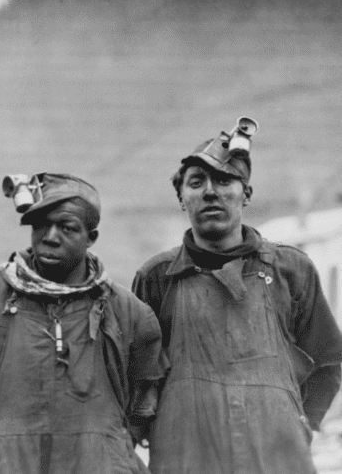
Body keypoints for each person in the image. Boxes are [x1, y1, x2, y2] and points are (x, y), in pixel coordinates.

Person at [0, 172, 167, 474]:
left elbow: (144, 402)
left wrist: (110, 451)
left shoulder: (128, 312)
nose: (50, 237)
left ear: (91, 237)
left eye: (67, 228)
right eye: (41, 225)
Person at [132, 126, 342, 473]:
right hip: (186, 457)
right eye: (197, 182)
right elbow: (137, 376)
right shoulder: (156, 278)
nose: (211, 191)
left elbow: (328, 361)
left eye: (225, 181)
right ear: (182, 197)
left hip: (276, 457)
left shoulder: (291, 269)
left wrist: (304, 423)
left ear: (246, 193)